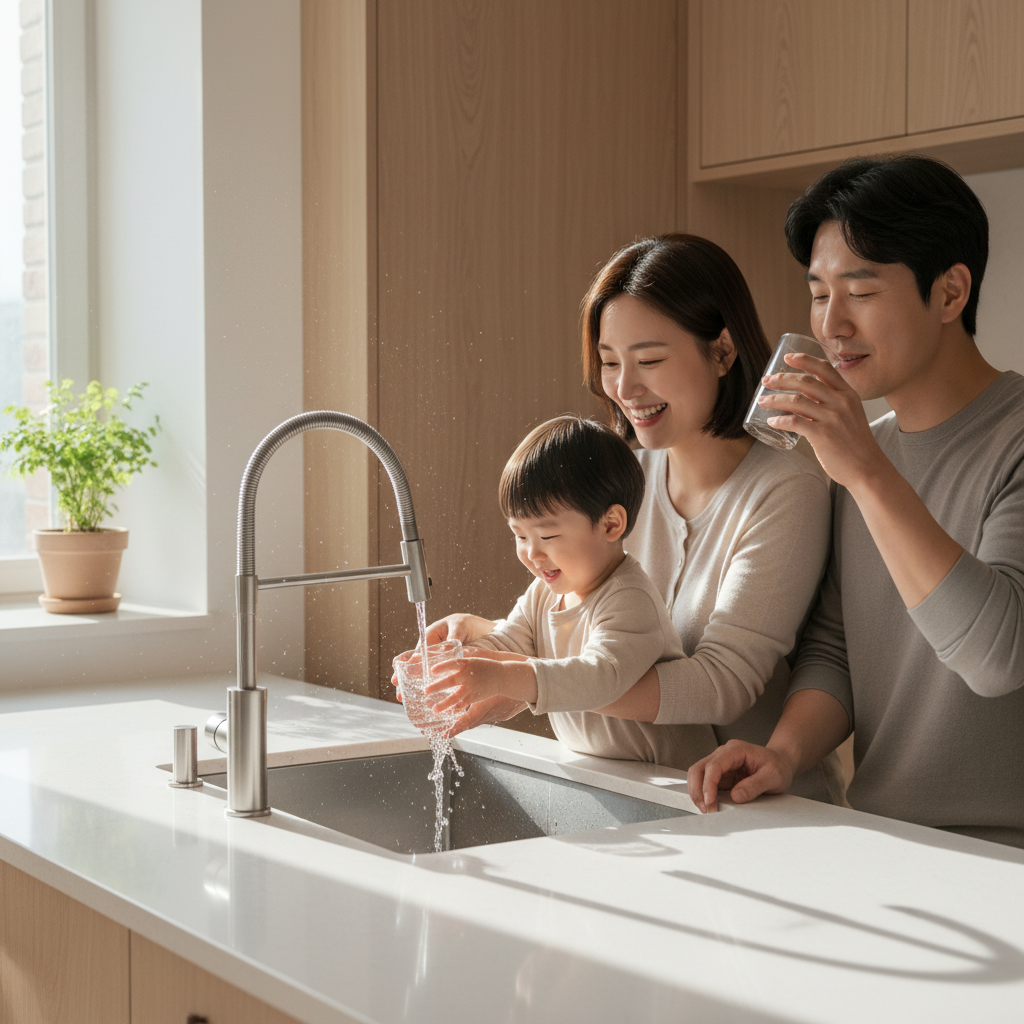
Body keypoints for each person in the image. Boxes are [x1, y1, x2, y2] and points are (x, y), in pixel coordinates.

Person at [421, 235, 843, 798]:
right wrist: (492, 648)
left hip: (757, 809)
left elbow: (722, 685)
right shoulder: (622, 475)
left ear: (722, 351)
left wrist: (527, 678)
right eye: (609, 362)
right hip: (644, 792)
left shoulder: (786, 489)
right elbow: (590, 627)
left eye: (648, 360)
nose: (623, 387)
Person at [687, 155, 1024, 848]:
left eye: (860, 292)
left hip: (1003, 856)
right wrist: (783, 752)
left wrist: (867, 475)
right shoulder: (862, 449)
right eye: (818, 293)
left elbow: (997, 657)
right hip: (886, 836)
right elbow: (841, 644)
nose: (832, 324)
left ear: (951, 294)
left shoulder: (997, 442)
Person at [427, 416, 718, 768]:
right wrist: (455, 662)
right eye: (520, 536)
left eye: (546, 537)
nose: (532, 553)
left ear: (611, 524)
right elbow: (511, 643)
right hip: (609, 772)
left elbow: (599, 677)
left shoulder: (629, 599)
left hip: (676, 781)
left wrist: (501, 676)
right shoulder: (543, 593)